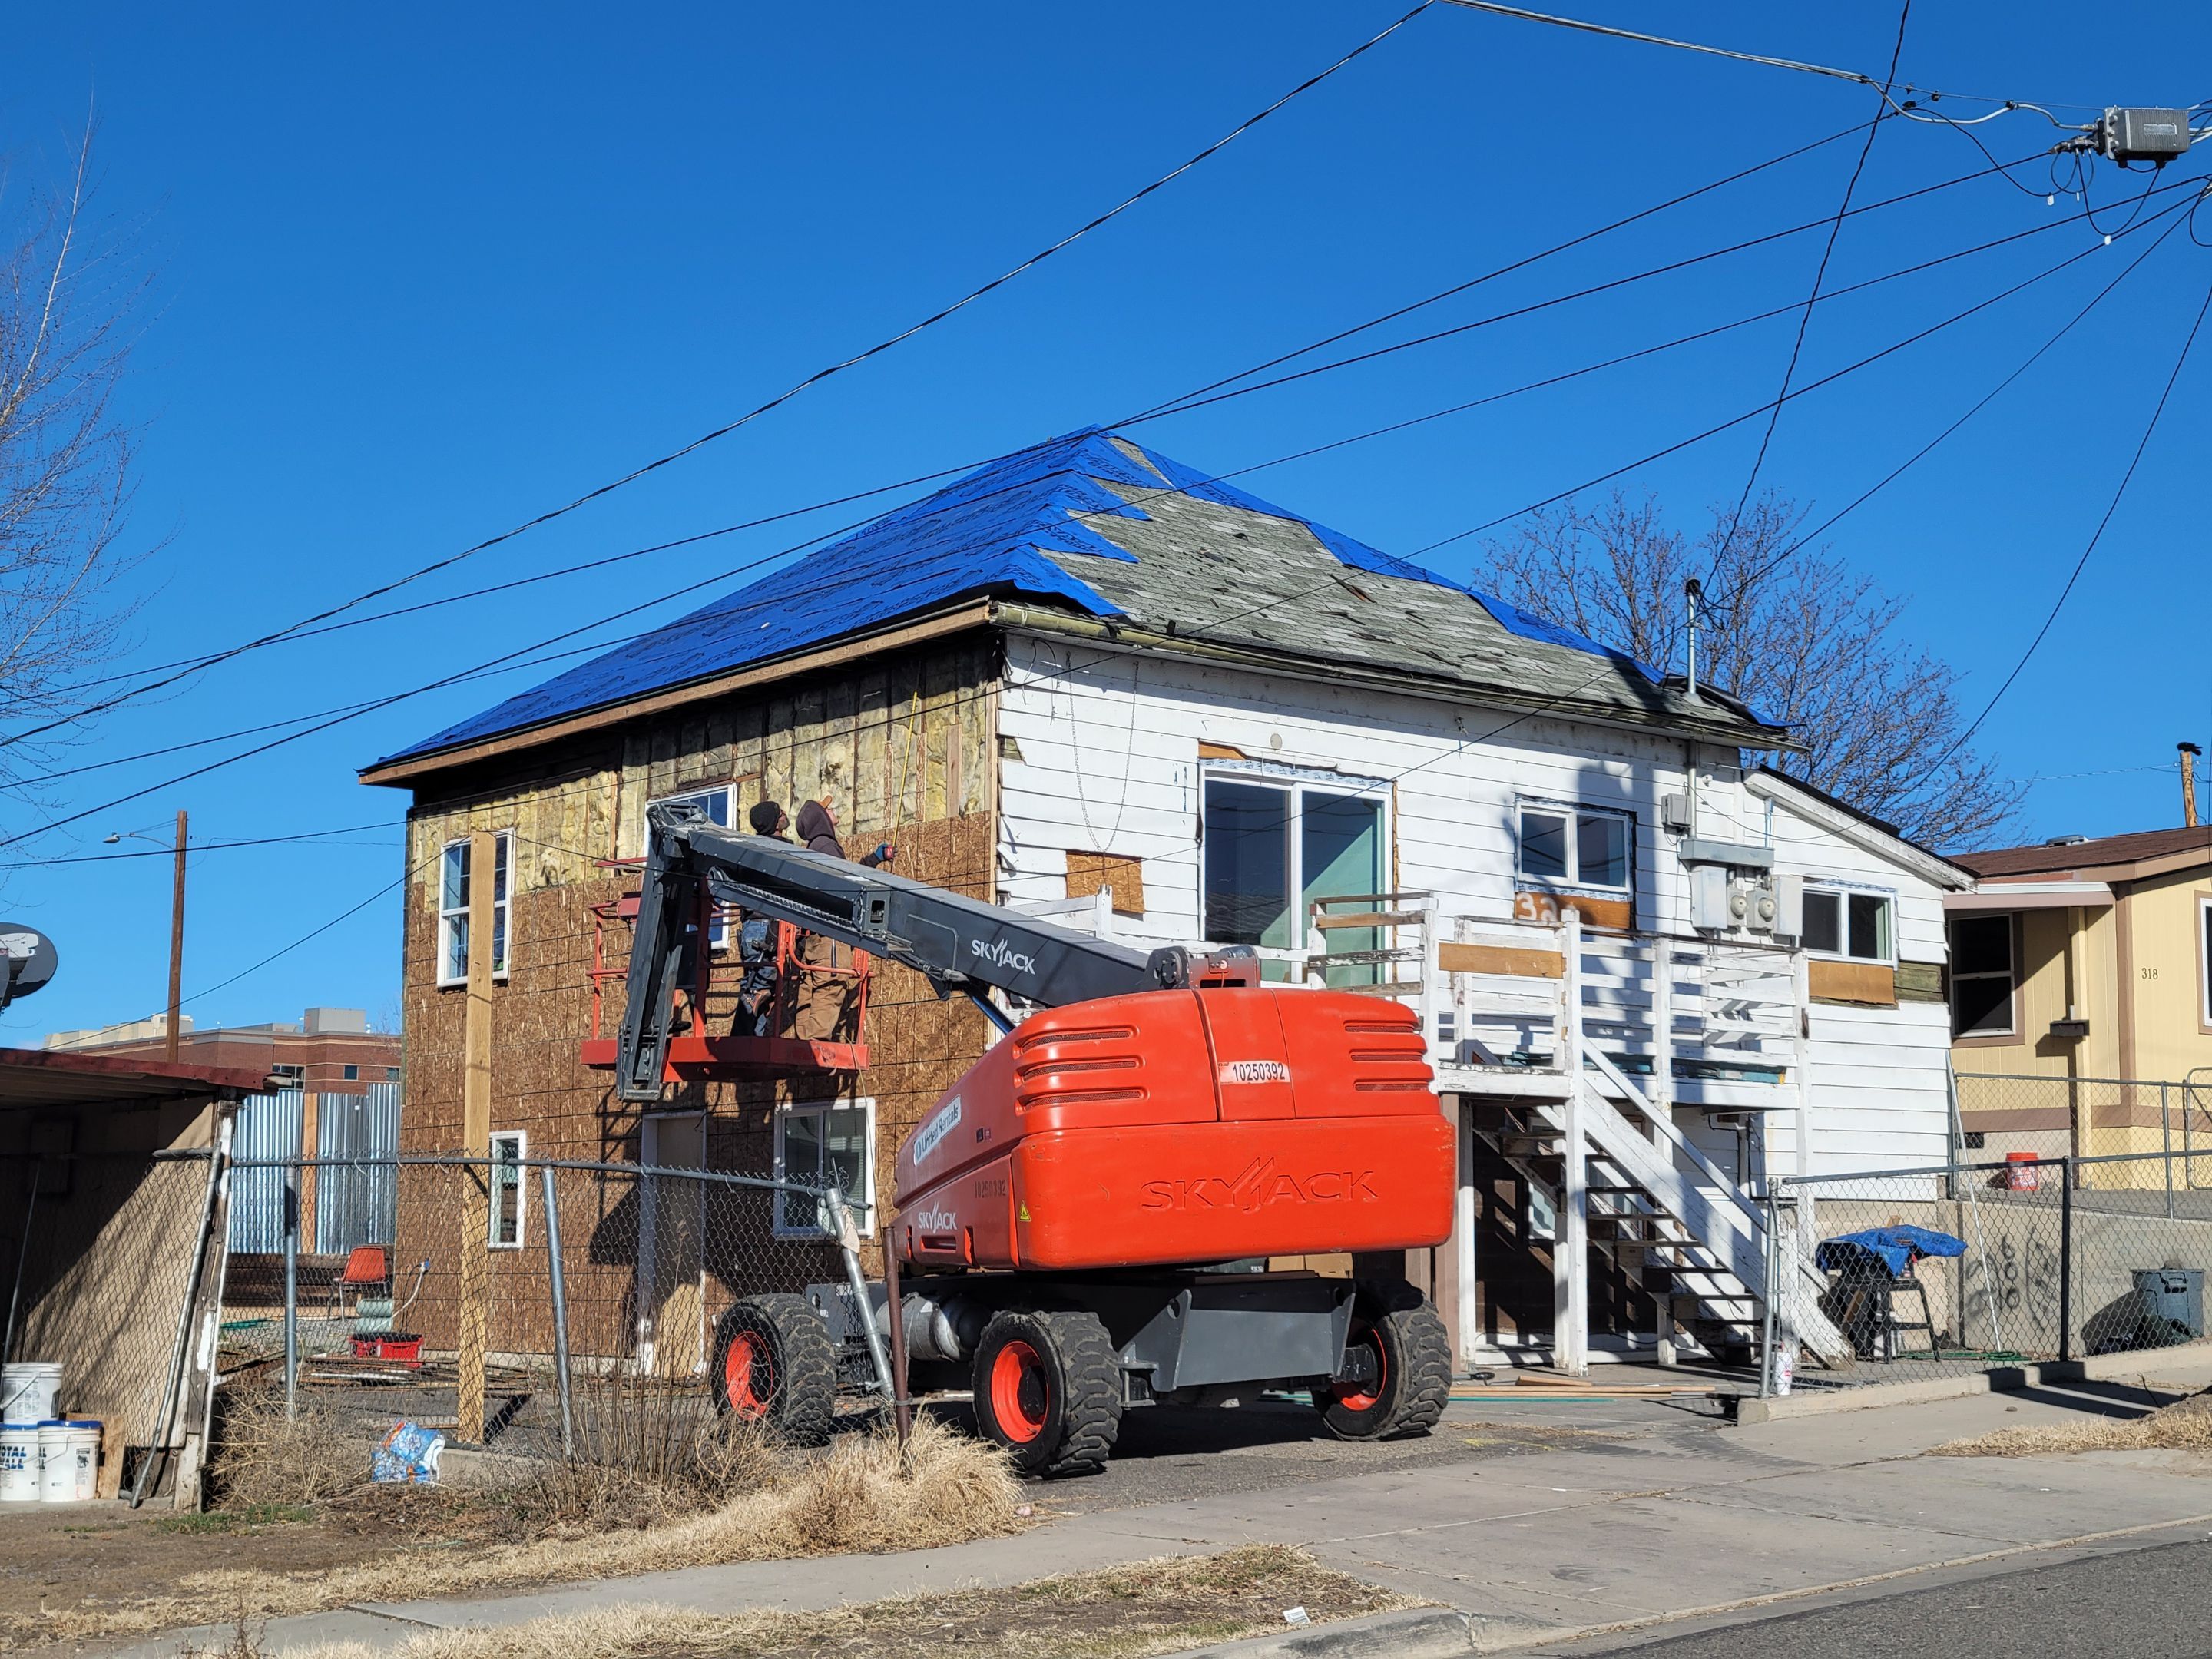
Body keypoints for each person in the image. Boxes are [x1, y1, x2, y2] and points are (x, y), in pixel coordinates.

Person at [790, 796, 892, 1041]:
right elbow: (843, 886)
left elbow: (843, 878)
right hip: (831, 934)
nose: (834, 812)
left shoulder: (814, 848)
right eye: (828, 810)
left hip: (814, 936)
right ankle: (815, 1045)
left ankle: (804, 1039)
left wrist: (872, 860)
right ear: (821, 819)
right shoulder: (827, 846)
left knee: (811, 986)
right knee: (831, 984)